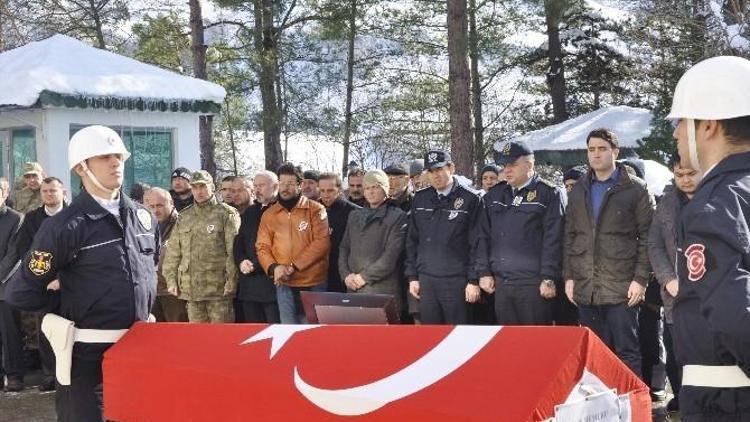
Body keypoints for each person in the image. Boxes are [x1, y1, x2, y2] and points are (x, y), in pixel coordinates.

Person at [5, 125, 158, 421]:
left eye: (119, 156)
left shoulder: (144, 218)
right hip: (87, 358)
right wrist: (67, 303)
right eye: (104, 157)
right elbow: (20, 291)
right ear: (80, 168)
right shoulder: (65, 226)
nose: (116, 162)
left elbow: (148, 271)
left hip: (140, 351)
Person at [668, 56, 750, 419]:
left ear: (709, 126)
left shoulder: (716, 201)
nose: (675, 134)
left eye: (682, 122)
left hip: (726, 400)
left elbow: (733, 312)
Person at [563, 128, 654, 377]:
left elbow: (648, 237)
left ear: (615, 151)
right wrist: (569, 276)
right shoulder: (579, 189)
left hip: (622, 285)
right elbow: (570, 235)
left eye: (602, 149)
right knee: (593, 352)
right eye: (591, 150)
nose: (596, 154)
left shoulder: (636, 189)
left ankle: (631, 411)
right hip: (586, 286)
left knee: (627, 352)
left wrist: (641, 279)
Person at [476, 142, 565, 325]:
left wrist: (548, 277)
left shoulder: (548, 193)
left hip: (533, 284)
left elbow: (554, 239)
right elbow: (482, 236)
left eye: (513, 165)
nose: (507, 170)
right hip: (502, 284)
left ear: (529, 164)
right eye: (505, 166)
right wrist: (483, 271)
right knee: (509, 344)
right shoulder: (495, 195)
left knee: (535, 344)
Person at [647, 152, 700, 413]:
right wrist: (667, 279)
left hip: (707, 296)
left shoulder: (717, 198)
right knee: (675, 352)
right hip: (673, 295)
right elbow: (654, 245)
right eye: (680, 175)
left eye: (691, 174)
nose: (686, 180)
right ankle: (680, 398)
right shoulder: (666, 204)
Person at [406, 150, 482, 324]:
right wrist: (413, 277)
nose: (435, 175)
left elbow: (477, 243)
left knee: (458, 337)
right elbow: (412, 241)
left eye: (439, 169)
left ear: (451, 168)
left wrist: (473, 280)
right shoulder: (420, 199)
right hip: (427, 280)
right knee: (431, 338)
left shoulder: (470, 199)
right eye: (431, 171)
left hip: (457, 281)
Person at [11, 177, 67, 392]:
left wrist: (62, 278)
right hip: (42, 285)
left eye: (53, 190)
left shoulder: (75, 216)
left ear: (62, 192)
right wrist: (43, 278)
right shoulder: (32, 219)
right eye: (45, 191)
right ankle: (50, 374)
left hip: (70, 284)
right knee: (45, 330)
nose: (49, 194)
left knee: (73, 329)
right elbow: (25, 250)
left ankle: (69, 374)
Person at [256, 163, 330, 324]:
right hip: (283, 282)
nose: (285, 188)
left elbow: (321, 243)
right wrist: (274, 268)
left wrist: (293, 266)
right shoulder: (269, 214)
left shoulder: (316, 210)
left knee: (311, 331)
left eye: (290, 183)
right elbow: (262, 246)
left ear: (299, 184)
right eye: (282, 183)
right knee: (288, 330)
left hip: (313, 282)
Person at [163, 171, 240, 323]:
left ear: (212, 187)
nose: (199, 191)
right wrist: (171, 280)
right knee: (197, 339)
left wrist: (231, 280)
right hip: (191, 290)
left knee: (221, 338)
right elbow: (173, 252)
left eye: (203, 187)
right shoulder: (184, 216)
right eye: (195, 187)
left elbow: (233, 251)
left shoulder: (226, 214)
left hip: (218, 289)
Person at [339, 170, 407, 313]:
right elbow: (344, 248)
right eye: (367, 188)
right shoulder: (354, 216)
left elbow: (390, 256)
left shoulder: (397, 217)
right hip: (353, 289)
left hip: (382, 292)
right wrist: (346, 275)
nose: (370, 192)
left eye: (375, 187)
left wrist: (364, 277)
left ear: (385, 189)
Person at [234, 171, 280, 323]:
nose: (257, 189)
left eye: (261, 185)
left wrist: (255, 265)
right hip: (249, 286)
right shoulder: (251, 211)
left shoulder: (282, 211)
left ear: (275, 186)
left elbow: (279, 247)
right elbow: (238, 242)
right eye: (255, 186)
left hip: (272, 286)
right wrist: (241, 261)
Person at [144, 187, 187, 323]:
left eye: (160, 205)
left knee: (179, 336)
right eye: (151, 206)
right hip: (151, 291)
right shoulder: (142, 226)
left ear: (171, 203)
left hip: (175, 292)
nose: (156, 210)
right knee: (156, 338)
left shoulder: (184, 225)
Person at [318, 173, 360, 293]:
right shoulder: (314, 209)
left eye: (330, 190)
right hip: (319, 273)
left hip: (344, 273)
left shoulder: (354, 212)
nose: (326, 195)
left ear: (340, 190)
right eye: (322, 191)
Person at [0, 177, 23, 392]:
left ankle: (14, 375)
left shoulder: (16, 218)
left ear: (5, 193)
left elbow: (14, 253)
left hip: (5, 287)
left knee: (10, 333)